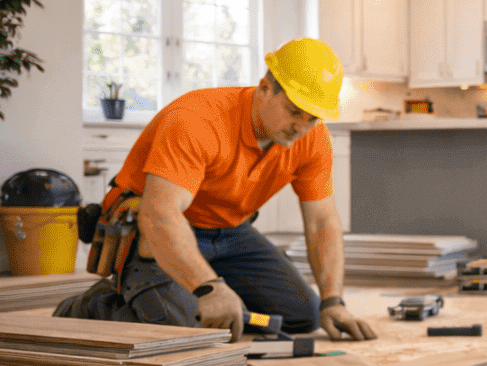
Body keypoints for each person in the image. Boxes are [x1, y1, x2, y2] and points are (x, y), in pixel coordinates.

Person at [58, 38, 377, 343]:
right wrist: (208, 286)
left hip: (229, 233)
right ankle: (93, 306)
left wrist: (333, 300)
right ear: (265, 89)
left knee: (301, 317)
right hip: (156, 228)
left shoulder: (313, 139)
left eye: (313, 118)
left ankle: (240, 312)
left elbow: (322, 221)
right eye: (295, 112)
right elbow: (160, 213)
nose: (301, 127)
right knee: (182, 326)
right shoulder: (197, 120)